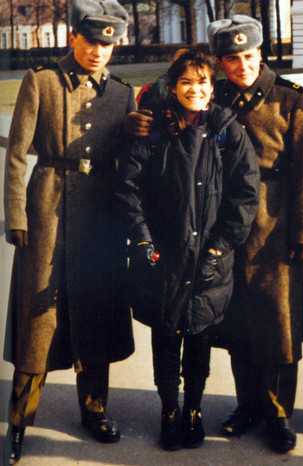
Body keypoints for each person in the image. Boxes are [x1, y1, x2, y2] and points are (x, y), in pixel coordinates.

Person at [2, 0, 135, 463]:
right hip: (48, 207)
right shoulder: (41, 81)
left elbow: (127, 162)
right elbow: (17, 153)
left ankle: (94, 411)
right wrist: (16, 215)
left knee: (95, 311)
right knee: (36, 319)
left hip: (100, 212)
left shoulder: (121, 93)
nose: (99, 50)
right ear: (73, 37)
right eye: (91, 40)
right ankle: (20, 420)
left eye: (108, 43)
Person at [115, 48, 259, 451]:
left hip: (209, 257)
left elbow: (244, 196)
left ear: (212, 88)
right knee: (165, 334)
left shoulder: (227, 130)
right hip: (165, 255)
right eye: (186, 83)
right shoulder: (155, 130)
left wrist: (220, 249)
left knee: (199, 335)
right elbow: (129, 189)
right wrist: (142, 237)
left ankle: (193, 409)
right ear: (173, 87)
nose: (195, 90)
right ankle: (169, 409)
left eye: (203, 82)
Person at [207, 15, 303, 453]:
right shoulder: (213, 98)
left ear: (262, 54)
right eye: (232, 59)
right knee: (236, 321)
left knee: (279, 325)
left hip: (276, 228)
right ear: (221, 63)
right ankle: (248, 405)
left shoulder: (291, 99)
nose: (242, 66)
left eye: (249, 56)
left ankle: (278, 414)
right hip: (226, 226)